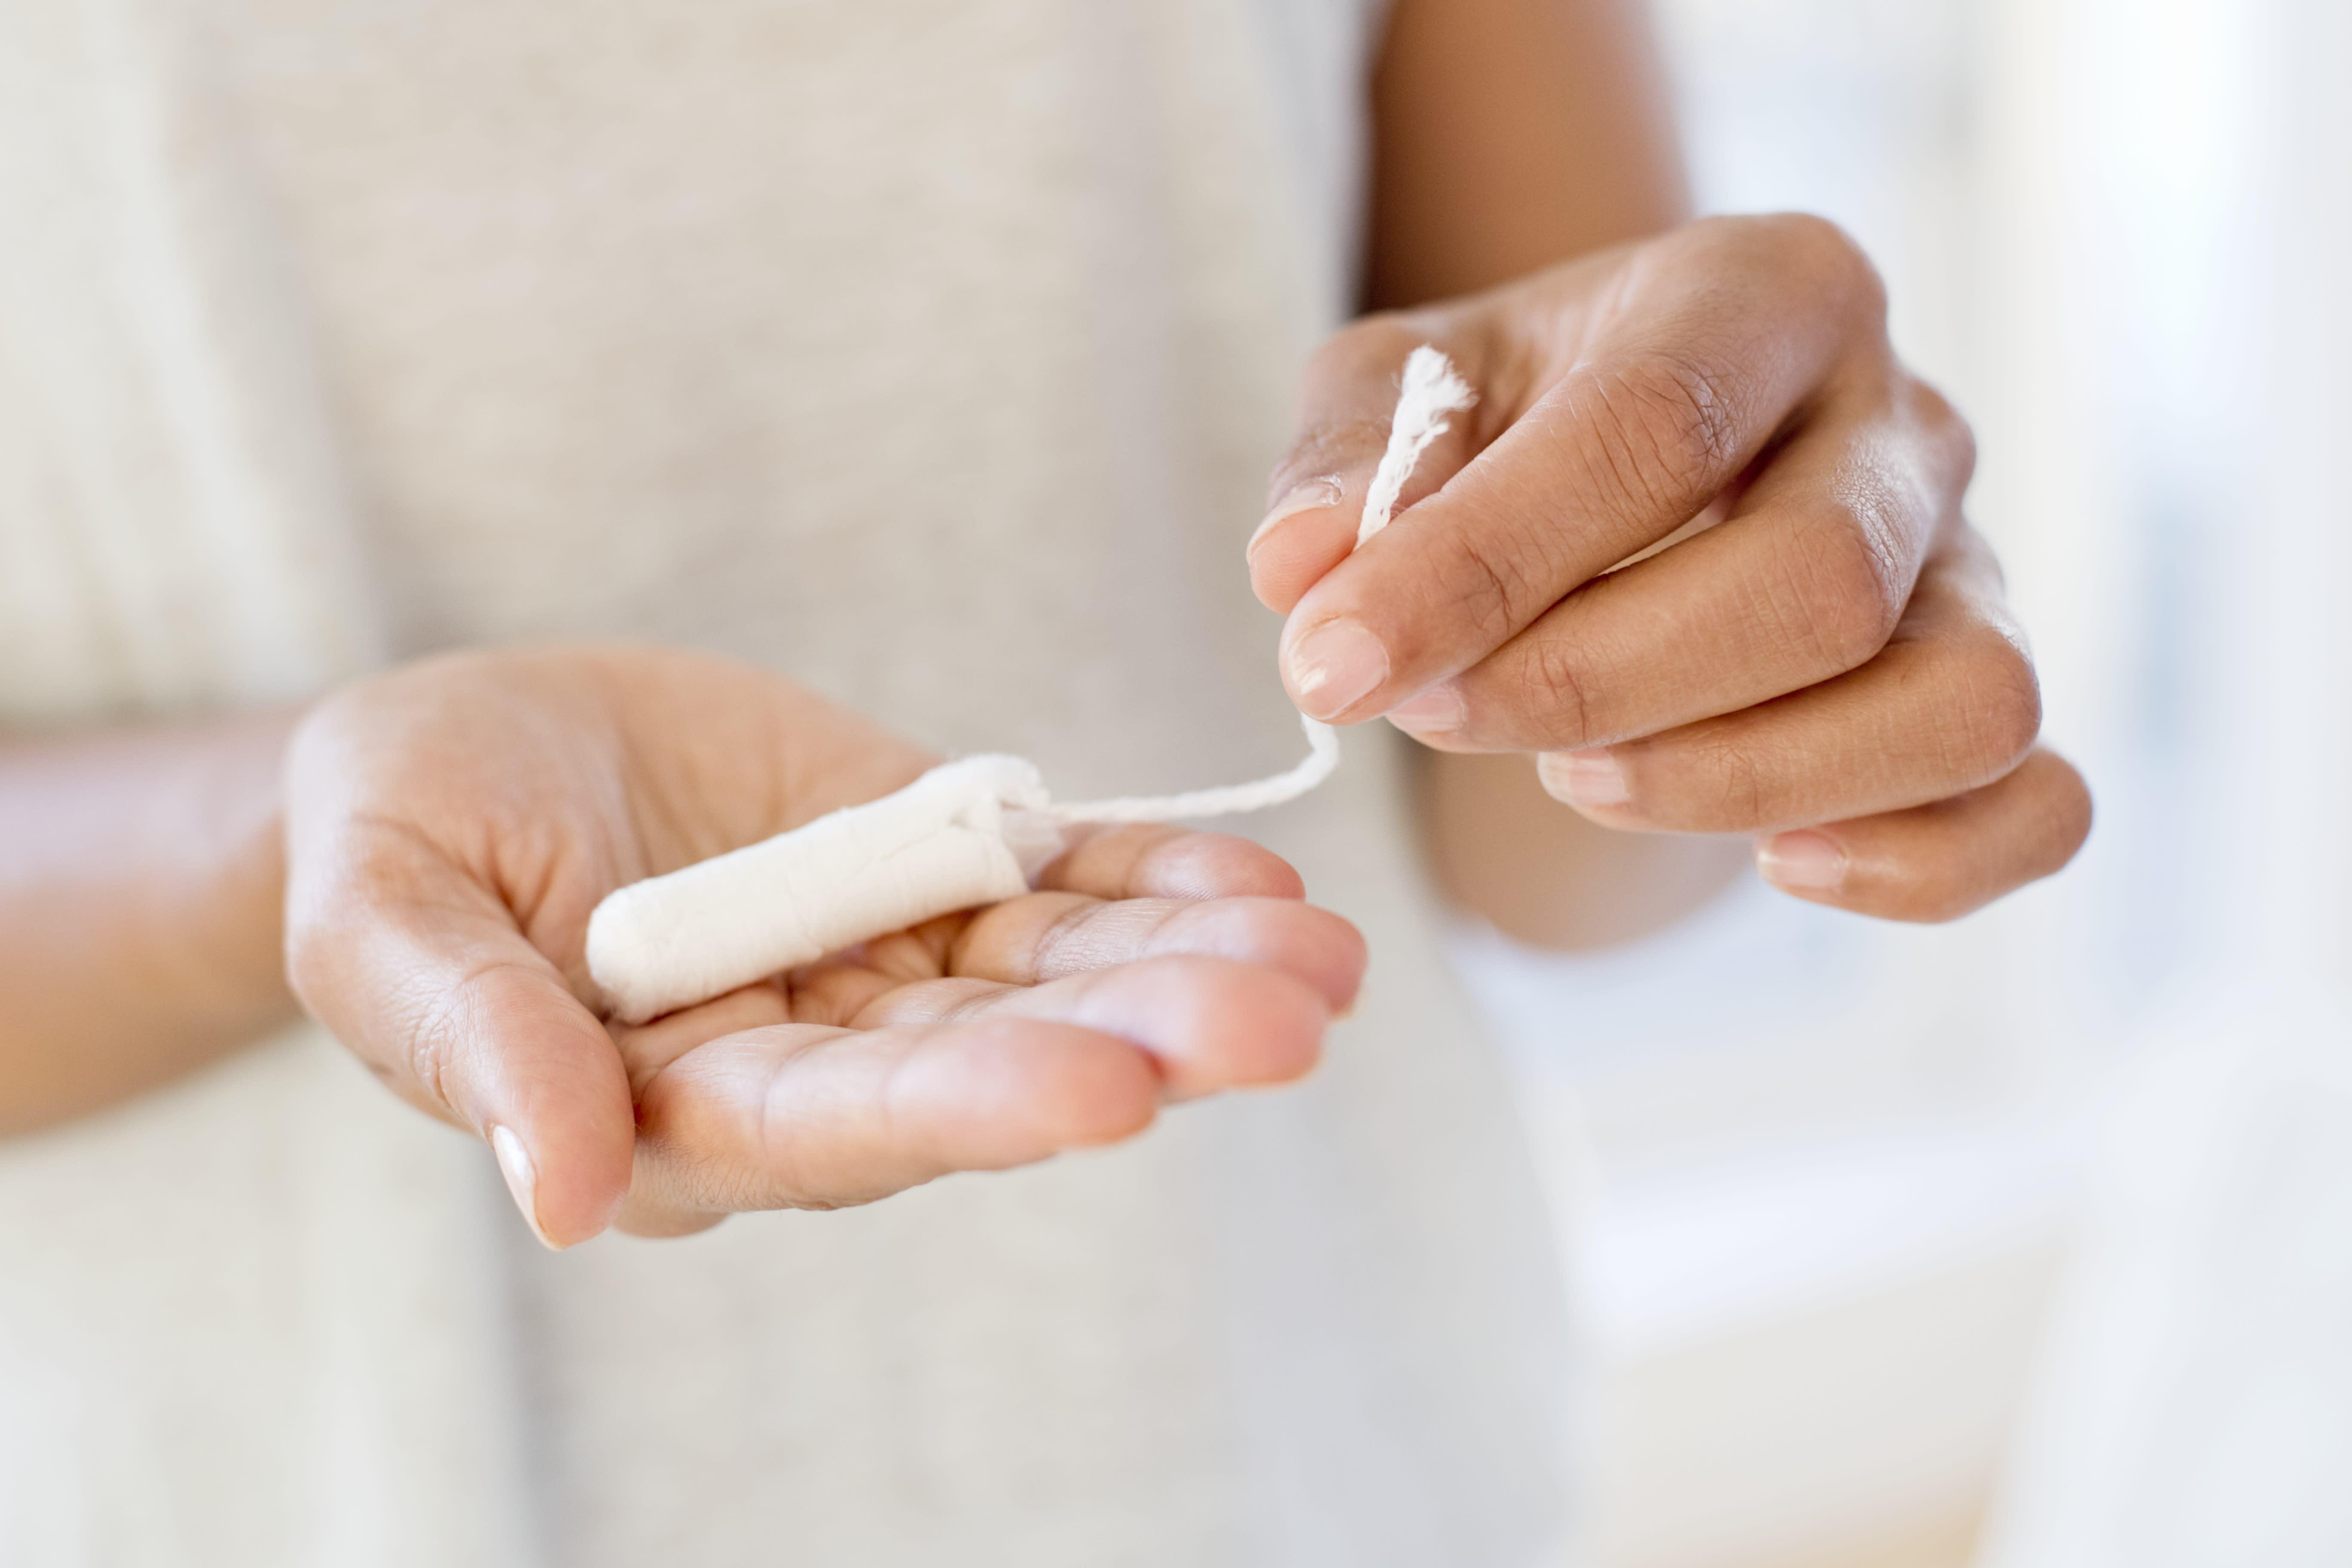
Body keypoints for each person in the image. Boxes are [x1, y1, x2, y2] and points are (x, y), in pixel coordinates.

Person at [0, 0, 2089, 1561]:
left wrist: (1736, 641)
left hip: (1301, 1445)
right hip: (266, 1480)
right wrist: (297, 835)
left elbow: (1562, 860)